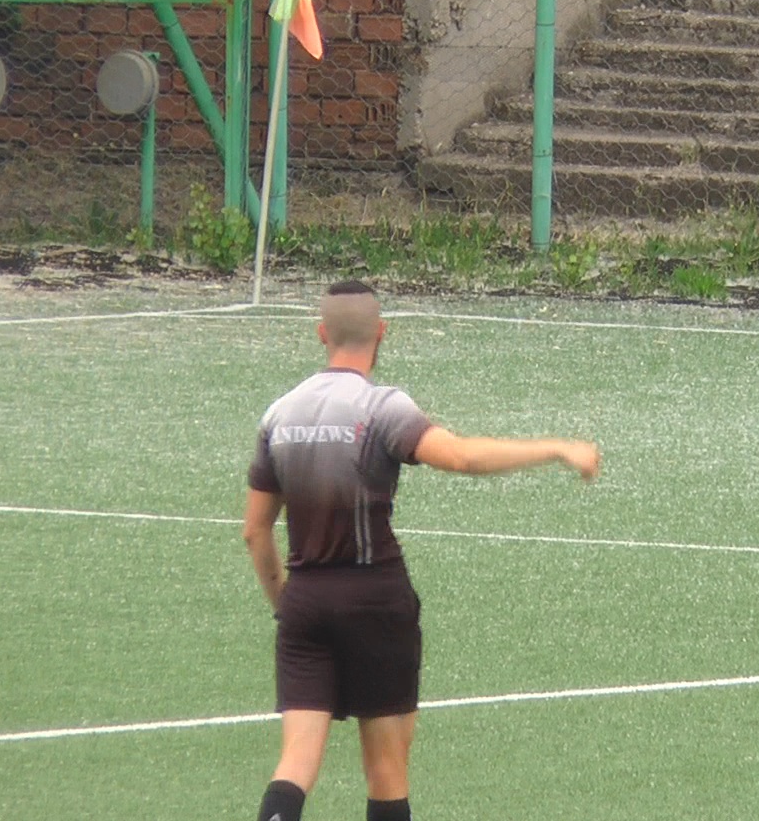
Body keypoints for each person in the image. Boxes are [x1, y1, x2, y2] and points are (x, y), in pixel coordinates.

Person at [243, 280, 601, 821]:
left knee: (295, 762)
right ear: (382, 333)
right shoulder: (382, 408)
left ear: (321, 334)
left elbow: (255, 531)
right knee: (386, 772)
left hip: (306, 603)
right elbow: (460, 457)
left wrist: (286, 605)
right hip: (375, 600)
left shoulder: (280, 415)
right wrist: (556, 448)